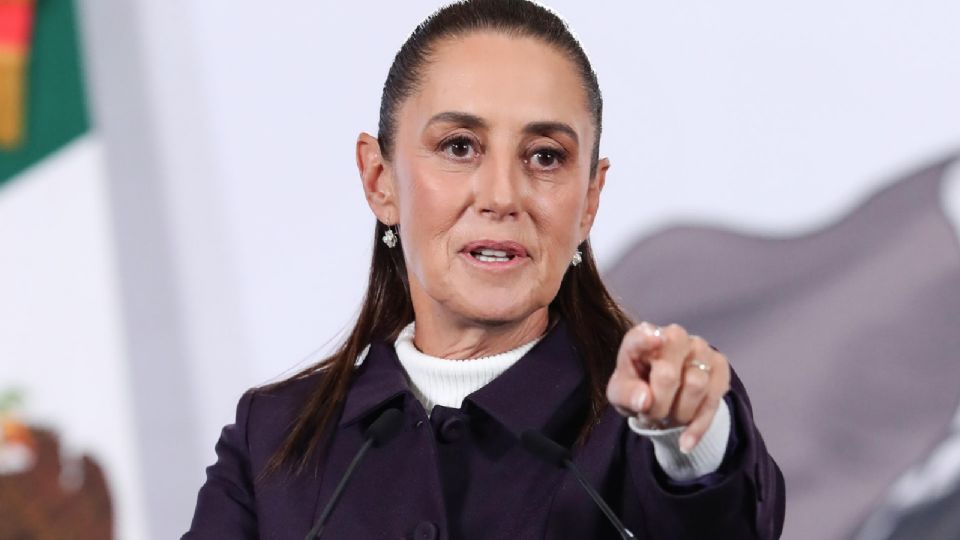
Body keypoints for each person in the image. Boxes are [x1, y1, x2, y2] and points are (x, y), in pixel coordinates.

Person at [184, 1, 785, 538]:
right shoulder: (272, 438)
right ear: (380, 180)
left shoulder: (647, 424)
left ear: (589, 200)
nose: (502, 196)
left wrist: (691, 442)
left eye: (545, 156)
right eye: (459, 147)